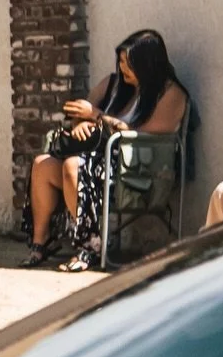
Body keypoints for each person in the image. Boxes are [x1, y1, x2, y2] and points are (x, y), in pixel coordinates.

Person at [26, 28, 188, 272]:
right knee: (42, 164)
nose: (123, 68)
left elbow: (141, 134)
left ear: (147, 63)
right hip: (95, 158)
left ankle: (90, 245)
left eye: (129, 63)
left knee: (73, 166)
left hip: (134, 169)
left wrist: (97, 117)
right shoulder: (112, 85)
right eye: (121, 61)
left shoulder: (171, 94)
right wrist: (80, 124)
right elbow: (82, 115)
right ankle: (41, 242)